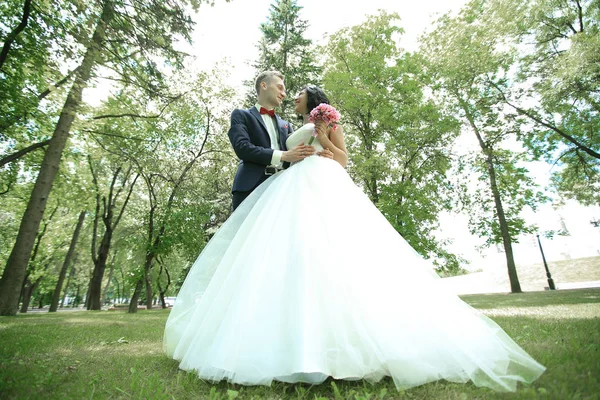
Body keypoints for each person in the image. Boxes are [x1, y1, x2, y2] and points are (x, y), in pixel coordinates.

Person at [163, 86, 545, 392]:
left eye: (295, 93)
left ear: (312, 103)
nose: (289, 94)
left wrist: (325, 138)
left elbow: (340, 159)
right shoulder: (267, 122)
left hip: (319, 186)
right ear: (264, 87)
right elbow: (265, 150)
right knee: (278, 261)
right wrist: (290, 153)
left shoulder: (319, 120)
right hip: (283, 188)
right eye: (283, 88)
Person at [227, 71, 333, 211]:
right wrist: (283, 155)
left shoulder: (286, 125)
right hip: (249, 188)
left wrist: (323, 156)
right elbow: (243, 148)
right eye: (280, 87)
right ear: (264, 85)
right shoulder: (241, 115)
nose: (284, 94)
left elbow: (299, 154)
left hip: (280, 190)